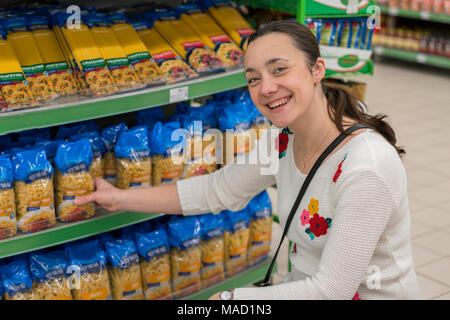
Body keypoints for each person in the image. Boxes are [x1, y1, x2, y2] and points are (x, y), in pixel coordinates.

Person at [75, 20, 418, 300]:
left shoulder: (366, 167)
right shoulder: (283, 139)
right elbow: (217, 190)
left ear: (317, 70)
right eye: (254, 78)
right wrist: (118, 198)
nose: (266, 87)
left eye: (279, 69)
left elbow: (330, 290)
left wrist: (231, 302)